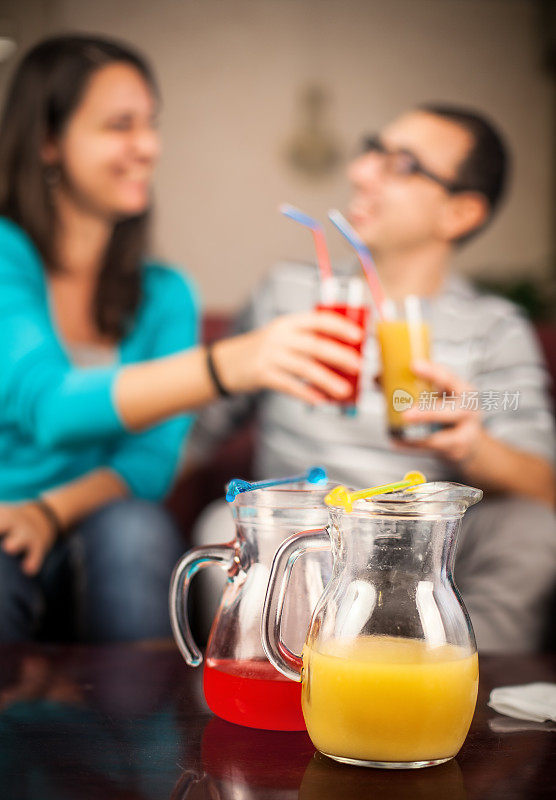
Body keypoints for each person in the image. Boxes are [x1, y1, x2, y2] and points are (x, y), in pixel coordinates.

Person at [0, 35, 363, 643]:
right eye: (120, 125)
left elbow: (149, 464)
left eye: (150, 124)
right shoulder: (7, 256)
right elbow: (49, 406)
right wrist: (226, 365)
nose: (148, 146)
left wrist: (50, 512)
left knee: (136, 533)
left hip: (98, 516)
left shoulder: (166, 294)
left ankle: (142, 736)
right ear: (47, 140)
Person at [191, 104, 556, 653]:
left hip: (430, 550)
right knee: (224, 524)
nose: (361, 172)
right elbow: (195, 429)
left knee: (535, 531)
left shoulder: (493, 329)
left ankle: (463, 694)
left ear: (460, 213)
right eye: (372, 151)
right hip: (305, 540)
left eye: (402, 165)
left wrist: (471, 445)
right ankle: (304, 689)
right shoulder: (288, 296)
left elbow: (544, 483)